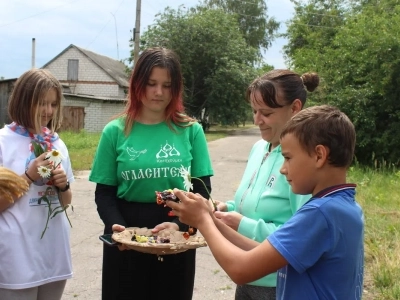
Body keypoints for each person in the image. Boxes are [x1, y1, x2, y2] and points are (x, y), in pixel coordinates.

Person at [168, 105, 364, 299]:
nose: (283, 169)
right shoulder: (343, 206)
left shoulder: (319, 214)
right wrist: (213, 219)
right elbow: (265, 251)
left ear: (319, 156)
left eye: (287, 158)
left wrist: (203, 221)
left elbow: (241, 270)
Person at [89, 47, 214, 300]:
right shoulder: (115, 131)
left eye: (167, 85)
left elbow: (202, 191)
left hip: (177, 232)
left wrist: (180, 226)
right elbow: (104, 193)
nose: (159, 92)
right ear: (137, 84)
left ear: (176, 88)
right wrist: (120, 229)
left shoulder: (191, 131)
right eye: (151, 83)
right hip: (126, 231)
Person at [214, 69, 319, 299]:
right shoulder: (259, 148)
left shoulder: (303, 160)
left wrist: (241, 224)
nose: (256, 120)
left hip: (278, 284)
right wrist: (228, 209)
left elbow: (304, 235)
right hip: (247, 274)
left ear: (295, 108)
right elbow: (253, 203)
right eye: (254, 111)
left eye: (266, 113)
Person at [0, 69, 74, 299]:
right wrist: (28, 177)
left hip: (54, 257)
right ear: (24, 101)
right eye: (41, 103)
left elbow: (65, 203)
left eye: (53, 104)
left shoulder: (57, 144)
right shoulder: (3, 143)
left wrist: (63, 187)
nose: (48, 111)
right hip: (16, 261)